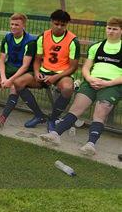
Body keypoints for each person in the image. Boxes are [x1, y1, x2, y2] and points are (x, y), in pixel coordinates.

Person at [40, 17, 121, 155]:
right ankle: (55, 135)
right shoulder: (96, 47)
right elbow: (86, 67)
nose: (111, 31)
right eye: (109, 28)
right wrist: (89, 79)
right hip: (91, 82)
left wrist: (107, 83)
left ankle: (90, 144)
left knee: (100, 114)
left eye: (115, 29)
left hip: (112, 85)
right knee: (75, 109)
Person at [13, 9, 79, 131]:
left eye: (63, 25)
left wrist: (55, 77)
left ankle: (52, 119)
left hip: (61, 74)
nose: (59, 27)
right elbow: (38, 59)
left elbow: (73, 67)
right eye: (56, 24)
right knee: (18, 82)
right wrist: (37, 72)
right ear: (51, 22)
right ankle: (39, 115)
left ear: (66, 25)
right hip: (44, 72)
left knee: (68, 88)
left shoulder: (73, 40)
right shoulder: (43, 36)